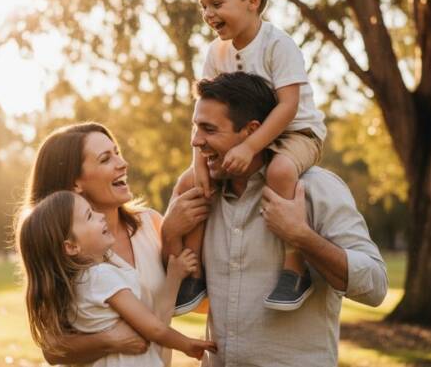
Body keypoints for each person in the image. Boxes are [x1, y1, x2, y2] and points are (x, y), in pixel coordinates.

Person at [162, 72, 388, 367]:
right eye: (196, 128)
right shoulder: (200, 199)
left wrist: (301, 237)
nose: (196, 141)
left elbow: (375, 287)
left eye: (209, 129)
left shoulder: (316, 189)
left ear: (251, 131)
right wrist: (169, 232)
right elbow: (173, 295)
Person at [173, 0, 327, 313]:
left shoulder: (277, 45)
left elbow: (288, 106)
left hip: (296, 133)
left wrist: (250, 146)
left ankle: (295, 268)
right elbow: (203, 110)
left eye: (216, 3)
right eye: (203, 6)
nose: (208, 14)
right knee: (190, 183)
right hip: (245, 137)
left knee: (280, 171)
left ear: (252, 0)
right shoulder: (216, 53)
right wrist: (198, 161)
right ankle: (194, 272)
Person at [19, 122, 191, 365]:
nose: (122, 163)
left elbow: (193, 294)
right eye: (105, 159)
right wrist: (109, 340)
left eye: (117, 153)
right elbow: (52, 347)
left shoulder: (151, 223)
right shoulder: (67, 252)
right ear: (75, 183)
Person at [15, 190, 216, 366]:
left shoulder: (73, 285)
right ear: (71, 246)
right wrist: (186, 344)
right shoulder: (102, 277)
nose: (100, 216)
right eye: (89, 216)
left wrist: (174, 276)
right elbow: (153, 328)